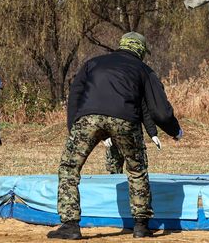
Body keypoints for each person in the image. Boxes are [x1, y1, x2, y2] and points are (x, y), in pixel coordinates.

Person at [47, 32, 182, 240]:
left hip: (87, 118)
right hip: (125, 119)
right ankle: (141, 226)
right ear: (140, 51)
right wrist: (175, 130)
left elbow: (75, 95)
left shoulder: (93, 63)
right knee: (136, 170)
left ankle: (70, 225)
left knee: (69, 168)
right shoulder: (144, 70)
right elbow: (160, 111)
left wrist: (73, 127)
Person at [103, 100, 162, 174]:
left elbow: (144, 112)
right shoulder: (109, 91)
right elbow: (102, 112)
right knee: (114, 170)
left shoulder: (136, 90)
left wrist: (153, 133)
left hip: (134, 138)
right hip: (114, 136)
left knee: (139, 169)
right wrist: (105, 135)